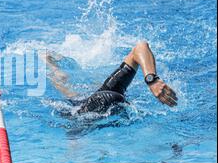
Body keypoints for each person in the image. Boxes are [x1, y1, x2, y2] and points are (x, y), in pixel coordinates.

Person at [43, 41, 178, 116]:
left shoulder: (109, 93)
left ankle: (50, 64)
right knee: (71, 95)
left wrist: (152, 79)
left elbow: (140, 47)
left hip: (94, 98)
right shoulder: (79, 121)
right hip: (90, 103)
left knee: (72, 94)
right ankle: (49, 63)